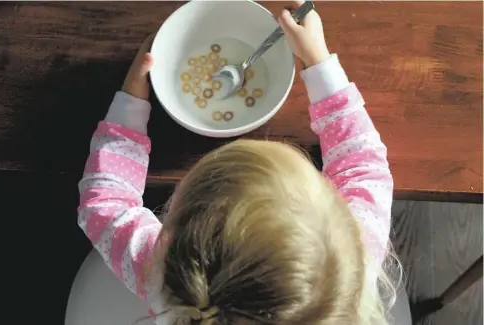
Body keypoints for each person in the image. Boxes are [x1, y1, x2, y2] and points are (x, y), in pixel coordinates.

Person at [78, 2, 410, 324]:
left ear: (176, 224)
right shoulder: (355, 262)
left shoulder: (162, 275)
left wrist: (131, 103)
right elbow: (363, 163)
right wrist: (318, 61)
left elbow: (105, 202)